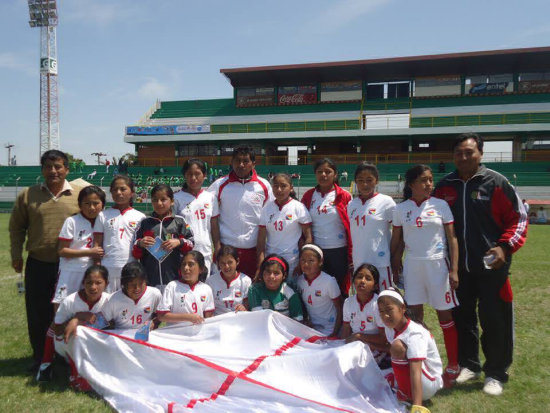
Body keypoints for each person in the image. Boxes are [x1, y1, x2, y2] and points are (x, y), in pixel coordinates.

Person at [434, 133, 528, 396]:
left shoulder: (496, 182)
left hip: (491, 267)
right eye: (458, 153)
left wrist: (504, 247)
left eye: (469, 152)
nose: (463, 157)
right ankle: (469, 365)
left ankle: (496, 372)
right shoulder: (445, 186)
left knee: (494, 318)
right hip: (456, 268)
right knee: (462, 318)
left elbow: (519, 218)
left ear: (480, 153)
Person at [10, 150, 84, 371]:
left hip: (71, 267)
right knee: (38, 313)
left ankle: (68, 356)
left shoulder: (80, 194)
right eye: (48, 167)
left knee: (69, 311)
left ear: (67, 169)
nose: (53, 171)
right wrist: (16, 255)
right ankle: (41, 358)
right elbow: (16, 228)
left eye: (58, 166)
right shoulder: (27, 195)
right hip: (39, 263)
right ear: (42, 169)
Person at [391, 164, 460, 388]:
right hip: (412, 266)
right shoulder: (401, 209)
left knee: (445, 317)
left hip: (438, 265)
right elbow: (398, 241)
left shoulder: (441, 205)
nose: (429, 184)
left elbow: (452, 239)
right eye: (423, 180)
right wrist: (394, 263)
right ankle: (424, 362)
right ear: (411, 184)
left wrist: (454, 269)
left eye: (430, 180)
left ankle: (453, 366)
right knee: (415, 319)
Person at [36, 265, 110, 382]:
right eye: (89, 282)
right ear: (83, 282)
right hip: (67, 342)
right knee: (79, 332)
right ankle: (54, 367)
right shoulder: (70, 300)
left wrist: (81, 321)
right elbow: (57, 330)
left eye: (98, 282)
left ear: (107, 283)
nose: (93, 287)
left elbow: (113, 325)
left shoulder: (109, 300)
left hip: (94, 343)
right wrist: (76, 318)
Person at [207, 146, 273, 276]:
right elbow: (205, 207)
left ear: (253, 164)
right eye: (237, 161)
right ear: (232, 162)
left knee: (250, 290)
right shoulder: (220, 185)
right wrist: (217, 247)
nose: (241, 165)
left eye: (245, 161)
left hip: (254, 250)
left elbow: (271, 215)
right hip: (227, 249)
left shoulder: (264, 186)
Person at [378, 288, 443, 411]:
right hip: (416, 375)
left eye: (389, 310)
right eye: (381, 311)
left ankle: (406, 395)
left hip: (428, 383)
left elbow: (415, 370)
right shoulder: (390, 327)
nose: (385, 315)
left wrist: (417, 406)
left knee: (397, 347)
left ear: (402, 309)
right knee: (376, 377)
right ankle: (402, 390)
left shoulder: (415, 333)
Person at [301, 158, 352, 296]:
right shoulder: (309, 195)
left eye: (328, 171)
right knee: (318, 289)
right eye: (319, 172)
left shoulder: (344, 195)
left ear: (335, 174)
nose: (323, 175)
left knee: (340, 289)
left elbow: (351, 226)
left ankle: (342, 317)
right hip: (316, 251)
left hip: (339, 250)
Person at [132, 184, 194, 290]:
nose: (159, 203)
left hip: (175, 279)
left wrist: (179, 242)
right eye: (155, 200)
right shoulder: (145, 223)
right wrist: (140, 243)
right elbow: (135, 251)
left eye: (163, 199)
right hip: (150, 281)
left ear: (172, 201)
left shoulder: (179, 221)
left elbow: (191, 243)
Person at [52, 185, 106, 305]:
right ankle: (59, 324)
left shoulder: (105, 221)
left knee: (89, 305)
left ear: (103, 204)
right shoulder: (72, 221)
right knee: (63, 303)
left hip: (93, 274)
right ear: (80, 204)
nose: (91, 207)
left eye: (96, 203)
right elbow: (62, 251)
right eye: (87, 203)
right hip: (71, 270)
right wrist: (89, 252)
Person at [347, 162, 396, 290]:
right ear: (356, 182)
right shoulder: (352, 205)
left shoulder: (386, 202)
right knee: (364, 299)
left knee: (384, 299)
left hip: (381, 261)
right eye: (361, 180)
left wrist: (395, 257)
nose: (365, 184)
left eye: (369, 180)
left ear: (376, 181)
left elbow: (398, 231)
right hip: (359, 261)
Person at [257, 173, 312, 281]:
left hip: (292, 262)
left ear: (291, 188)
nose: (279, 189)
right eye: (276, 186)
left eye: (283, 186)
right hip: (271, 261)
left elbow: (308, 237)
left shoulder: (298, 207)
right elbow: (261, 240)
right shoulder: (266, 209)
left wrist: (302, 262)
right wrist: (260, 265)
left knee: (291, 294)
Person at [95, 175, 145, 293]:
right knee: (106, 304)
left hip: (130, 268)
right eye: (115, 190)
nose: (118, 192)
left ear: (132, 192)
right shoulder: (103, 215)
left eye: (123, 189)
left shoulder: (140, 217)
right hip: (107, 268)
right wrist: (97, 268)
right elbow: (97, 244)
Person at [174, 159, 221, 276]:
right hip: (184, 253)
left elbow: (214, 227)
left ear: (204, 175)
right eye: (189, 174)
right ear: (184, 175)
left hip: (205, 252)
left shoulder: (210, 198)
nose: (193, 178)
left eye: (197, 174)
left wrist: (218, 250)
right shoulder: (176, 198)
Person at [340, 264, 388, 367]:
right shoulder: (348, 302)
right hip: (355, 345)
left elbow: (383, 338)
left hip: (375, 347)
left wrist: (359, 336)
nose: (362, 281)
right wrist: (341, 346)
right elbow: (346, 330)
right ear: (353, 281)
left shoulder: (378, 304)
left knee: (354, 364)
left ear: (375, 285)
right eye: (359, 277)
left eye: (368, 278)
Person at [296, 244, 342, 337]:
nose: (306, 264)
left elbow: (340, 308)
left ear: (320, 262)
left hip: (331, 329)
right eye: (303, 260)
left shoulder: (329, 281)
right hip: (312, 330)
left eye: (311, 261)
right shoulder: (299, 281)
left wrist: (334, 334)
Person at [157, 251, 215, 325]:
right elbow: (161, 316)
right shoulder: (172, 286)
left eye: (191, 264)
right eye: (183, 264)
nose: (186, 268)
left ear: (201, 269)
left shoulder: (206, 289)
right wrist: (188, 317)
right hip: (177, 334)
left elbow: (208, 318)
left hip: (198, 334)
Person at [102, 261, 162, 329]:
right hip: (122, 337)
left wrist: (154, 323)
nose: (137, 288)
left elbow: (160, 316)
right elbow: (103, 322)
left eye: (140, 283)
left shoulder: (155, 294)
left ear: (145, 281)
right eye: (132, 284)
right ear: (124, 284)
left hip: (145, 336)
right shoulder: (112, 299)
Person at [248, 254, 303, 321]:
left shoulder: (291, 293)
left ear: (284, 275)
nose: (271, 276)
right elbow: (257, 317)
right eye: (268, 272)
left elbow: (298, 320)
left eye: (276, 273)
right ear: (263, 273)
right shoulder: (254, 290)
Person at [206, 246, 251, 314]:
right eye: (222, 263)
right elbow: (207, 308)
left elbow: (247, 306)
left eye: (230, 262)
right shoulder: (211, 281)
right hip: (218, 320)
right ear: (218, 263)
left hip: (238, 319)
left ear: (237, 261)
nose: (226, 266)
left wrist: (244, 308)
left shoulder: (246, 281)